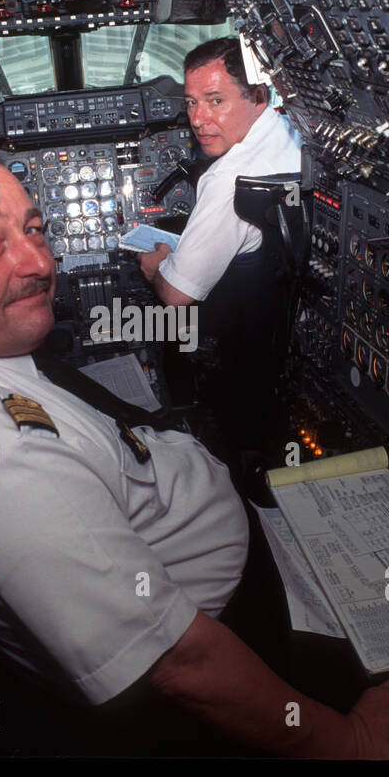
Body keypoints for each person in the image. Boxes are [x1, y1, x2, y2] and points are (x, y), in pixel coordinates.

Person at [0, 141, 389, 758]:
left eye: (34, 228)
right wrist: (355, 742)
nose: (37, 260)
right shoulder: (4, 473)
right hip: (241, 637)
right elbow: (182, 663)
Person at [137, 37, 303, 466]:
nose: (198, 119)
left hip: (238, 357)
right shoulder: (295, 136)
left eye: (216, 100)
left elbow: (177, 296)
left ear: (258, 96)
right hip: (280, 338)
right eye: (191, 102)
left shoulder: (231, 177)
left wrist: (155, 265)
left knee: (147, 315)